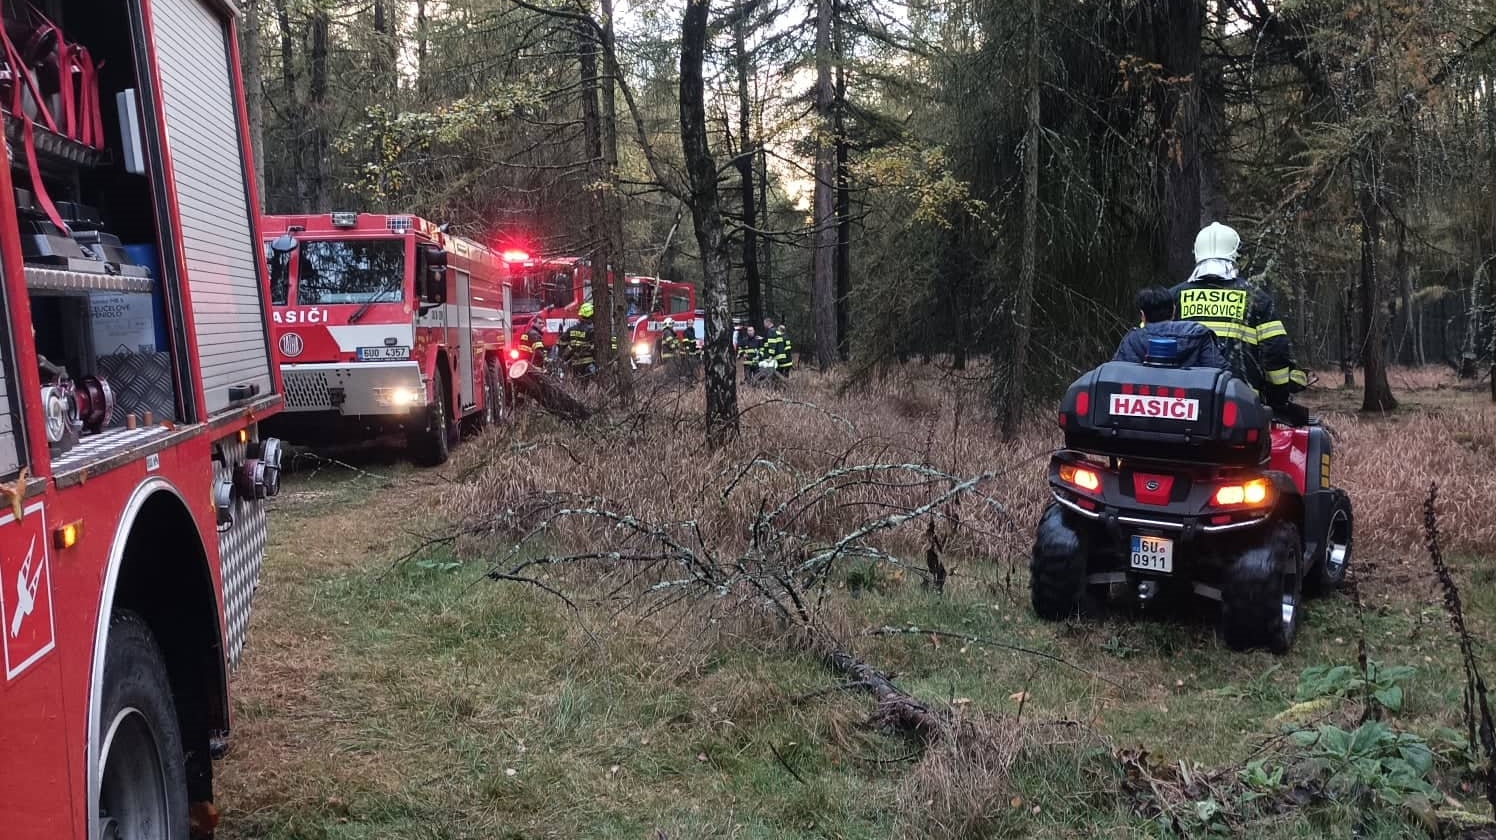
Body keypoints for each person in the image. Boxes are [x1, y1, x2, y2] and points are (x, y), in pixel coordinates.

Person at [1169, 222, 1307, 408]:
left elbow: (1146, 339)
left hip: (1181, 403)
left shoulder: (1172, 297)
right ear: (1235, 256)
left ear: (1197, 255)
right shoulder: (1257, 299)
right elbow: (1276, 349)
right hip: (1241, 403)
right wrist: (1278, 396)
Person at [1113, 287, 1227, 368]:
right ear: (1174, 310)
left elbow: (1118, 373)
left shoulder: (1133, 340)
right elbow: (1218, 372)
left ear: (1142, 315)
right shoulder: (1199, 334)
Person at [564, 301, 596, 380]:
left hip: (574, 363)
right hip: (588, 363)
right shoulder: (592, 330)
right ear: (591, 315)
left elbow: (561, 343)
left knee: (577, 386)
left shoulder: (571, 329)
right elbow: (595, 347)